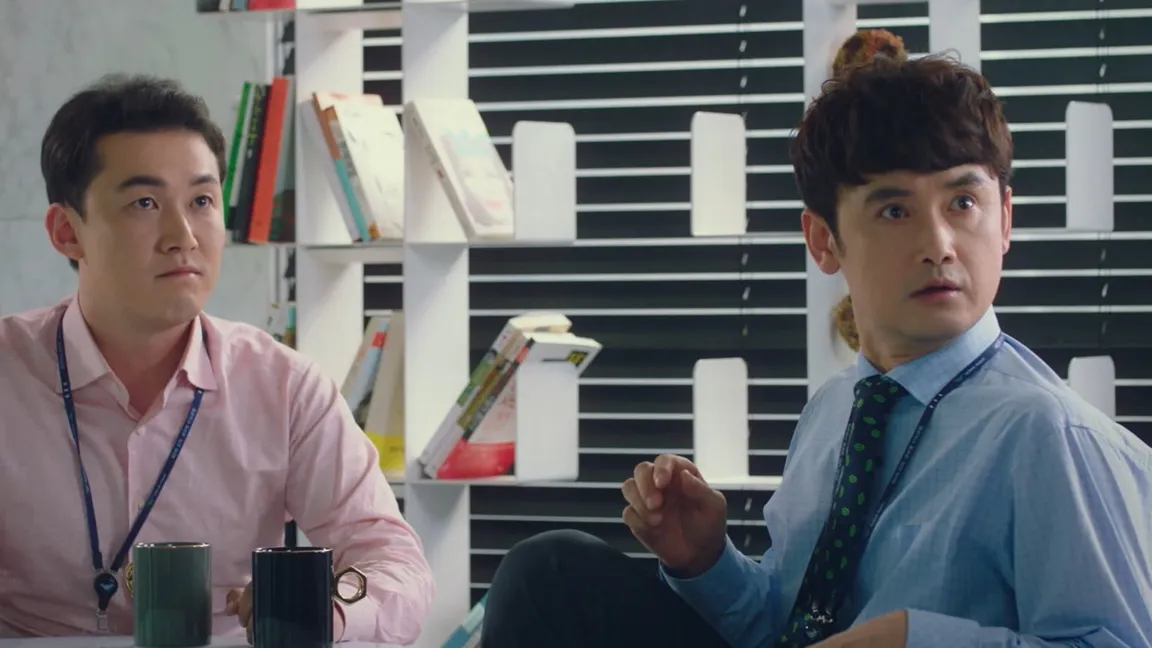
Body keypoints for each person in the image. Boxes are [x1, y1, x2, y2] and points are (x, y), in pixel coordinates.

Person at [480, 54, 1152, 648]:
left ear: (1004, 218)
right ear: (823, 241)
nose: (939, 244)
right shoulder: (834, 411)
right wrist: (704, 562)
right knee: (551, 572)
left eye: (963, 203)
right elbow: (787, 626)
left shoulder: (1049, 434)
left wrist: (915, 640)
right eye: (895, 211)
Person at [0, 74, 434, 644]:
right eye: (144, 203)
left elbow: (393, 560)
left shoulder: (284, 386)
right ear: (66, 232)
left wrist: (330, 610)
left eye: (202, 201)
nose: (183, 236)